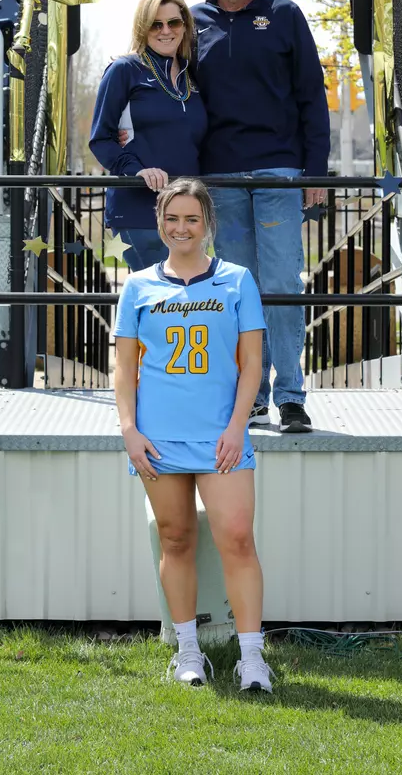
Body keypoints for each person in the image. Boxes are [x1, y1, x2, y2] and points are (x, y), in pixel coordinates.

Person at [114, 177, 274, 692]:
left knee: (237, 539)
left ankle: (252, 660)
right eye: (172, 218)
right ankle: (188, 652)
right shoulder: (138, 286)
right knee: (176, 538)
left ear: (208, 224)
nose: (181, 228)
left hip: (220, 438)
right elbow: (122, 370)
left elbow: (252, 365)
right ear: (160, 222)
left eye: (192, 219)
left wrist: (236, 427)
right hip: (158, 439)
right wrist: (129, 431)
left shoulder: (237, 280)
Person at [191, 0, 331, 434]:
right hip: (220, 177)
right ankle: (252, 397)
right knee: (239, 291)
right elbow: (170, 95)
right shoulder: (194, 22)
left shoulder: (285, 16)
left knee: (280, 285)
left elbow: (312, 96)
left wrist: (315, 169)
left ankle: (291, 397)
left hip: (279, 171)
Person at [89, 0, 207, 272]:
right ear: (143, 27)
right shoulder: (125, 70)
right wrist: (136, 170)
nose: (165, 31)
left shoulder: (194, 76)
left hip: (186, 214)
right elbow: (101, 139)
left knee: (181, 305)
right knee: (158, 303)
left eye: (173, 23)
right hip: (140, 212)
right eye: (156, 24)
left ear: (185, 26)